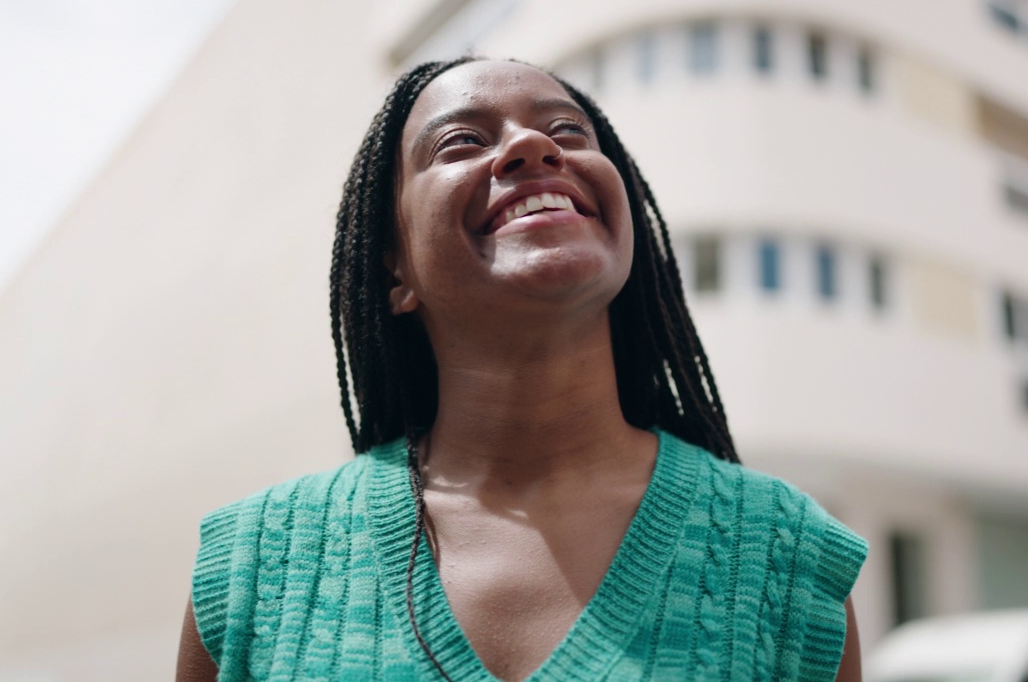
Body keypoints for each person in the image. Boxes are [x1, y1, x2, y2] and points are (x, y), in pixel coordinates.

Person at [176, 56, 868, 681]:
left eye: (568, 132)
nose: (534, 146)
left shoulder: (788, 561)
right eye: (462, 141)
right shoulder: (254, 565)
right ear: (396, 266)